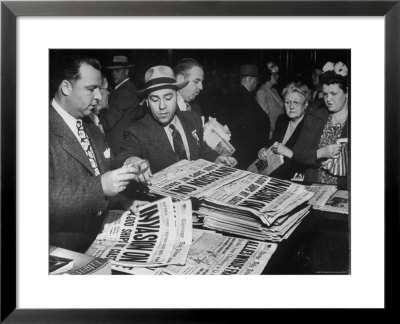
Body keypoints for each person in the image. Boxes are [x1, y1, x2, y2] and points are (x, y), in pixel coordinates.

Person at [49, 55, 149, 253]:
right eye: (91, 88)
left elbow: (104, 174)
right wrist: (100, 186)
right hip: (65, 248)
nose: (98, 96)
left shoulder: (92, 127)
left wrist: (125, 201)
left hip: (101, 237)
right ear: (66, 87)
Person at [117, 65, 237, 173]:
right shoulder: (137, 131)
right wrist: (132, 161)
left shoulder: (192, 118)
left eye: (168, 98)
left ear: (177, 95)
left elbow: (200, 148)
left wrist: (215, 158)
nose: (162, 106)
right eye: (155, 99)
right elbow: (124, 157)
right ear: (147, 102)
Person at [293, 61, 349, 188]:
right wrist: (320, 153)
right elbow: (298, 153)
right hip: (313, 186)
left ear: (347, 92)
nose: (328, 99)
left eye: (334, 94)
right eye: (325, 94)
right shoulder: (314, 116)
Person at [257, 82, 309, 180]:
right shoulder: (282, 120)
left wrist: (288, 152)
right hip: (274, 174)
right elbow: (273, 142)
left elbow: (309, 161)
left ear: (305, 104)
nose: (291, 106)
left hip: (295, 178)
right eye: (287, 102)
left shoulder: (310, 126)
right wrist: (264, 150)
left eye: (296, 102)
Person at [227, 64, 270, 170]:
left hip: (236, 153)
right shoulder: (245, 98)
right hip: (244, 156)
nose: (257, 83)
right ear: (250, 79)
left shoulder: (233, 94)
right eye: (256, 80)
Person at [101, 55, 145, 155]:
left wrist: (93, 126)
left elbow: (108, 121)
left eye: (117, 70)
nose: (114, 73)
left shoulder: (126, 90)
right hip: (115, 141)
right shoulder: (120, 88)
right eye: (112, 71)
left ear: (126, 72)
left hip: (118, 144)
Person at [256, 62, 284, 137]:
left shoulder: (274, 90)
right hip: (269, 133)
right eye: (275, 75)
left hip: (278, 130)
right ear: (268, 76)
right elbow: (264, 118)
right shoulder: (261, 92)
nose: (278, 77)